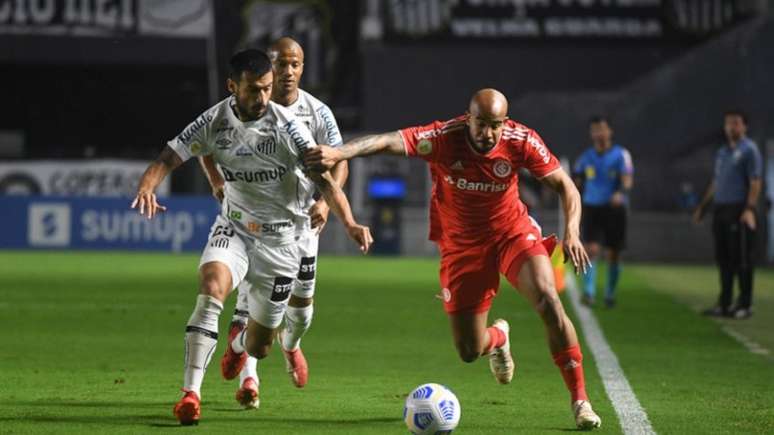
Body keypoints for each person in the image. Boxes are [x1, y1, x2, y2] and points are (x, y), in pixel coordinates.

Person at [304, 88, 602, 430]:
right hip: (462, 248)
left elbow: (566, 186)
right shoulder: (445, 137)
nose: (487, 133)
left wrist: (573, 232)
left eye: (495, 126)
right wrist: (338, 152)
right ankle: (499, 339)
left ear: (505, 123)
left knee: (548, 299)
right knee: (469, 350)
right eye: (480, 124)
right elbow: (386, 141)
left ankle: (580, 400)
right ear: (468, 117)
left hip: (512, 233)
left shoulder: (521, 140)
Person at [131, 49, 372, 425]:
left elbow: (326, 181)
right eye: (253, 90)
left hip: (282, 242)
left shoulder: (290, 128)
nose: (262, 98)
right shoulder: (213, 120)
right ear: (232, 87)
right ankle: (190, 394)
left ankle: (240, 344)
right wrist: (148, 186)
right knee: (211, 288)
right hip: (236, 227)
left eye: (266, 89)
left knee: (261, 344)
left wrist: (350, 221)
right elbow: (168, 157)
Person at [197, 37, 348, 409]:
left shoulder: (317, 112)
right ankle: (250, 376)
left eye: (295, 65)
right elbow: (206, 144)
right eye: (280, 65)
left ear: (302, 67)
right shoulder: (237, 110)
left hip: (301, 225)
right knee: (254, 299)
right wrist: (217, 181)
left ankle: (290, 345)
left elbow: (340, 159)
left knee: (301, 310)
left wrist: (325, 205)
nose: (287, 72)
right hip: (253, 224)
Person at [693, 110, 762, 319]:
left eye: (736, 123)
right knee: (723, 259)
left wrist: (749, 209)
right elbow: (716, 182)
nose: (732, 127)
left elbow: (755, 181)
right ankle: (724, 303)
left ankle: (745, 304)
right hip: (721, 210)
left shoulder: (749, 150)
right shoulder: (722, 152)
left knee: (741, 258)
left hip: (739, 210)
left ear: (744, 127)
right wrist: (703, 207)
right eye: (728, 123)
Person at [572, 116, 634, 308]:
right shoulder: (585, 158)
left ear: (609, 132)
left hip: (614, 209)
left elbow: (628, 179)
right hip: (592, 207)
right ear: (591, 134)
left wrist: (620, 193)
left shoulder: (621, 155)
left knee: (613, 253)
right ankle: (589, 293)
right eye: (595, 130)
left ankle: (610, 293)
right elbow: (576, 181)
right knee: (590, 250)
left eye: (602, 129)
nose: (598, 133)